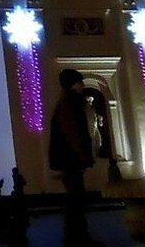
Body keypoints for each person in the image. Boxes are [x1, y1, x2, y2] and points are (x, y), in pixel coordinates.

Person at [49, 68, 102, 247]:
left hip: (68, 158)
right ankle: (78, 237)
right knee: (76, 199)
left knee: (75, 198)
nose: (82, 85)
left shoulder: (67, 102)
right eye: (80, 82)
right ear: (72, 83)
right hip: (70, 158)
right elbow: (73, 132)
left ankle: (76, 236)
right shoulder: (70, 103)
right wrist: (83, 155)